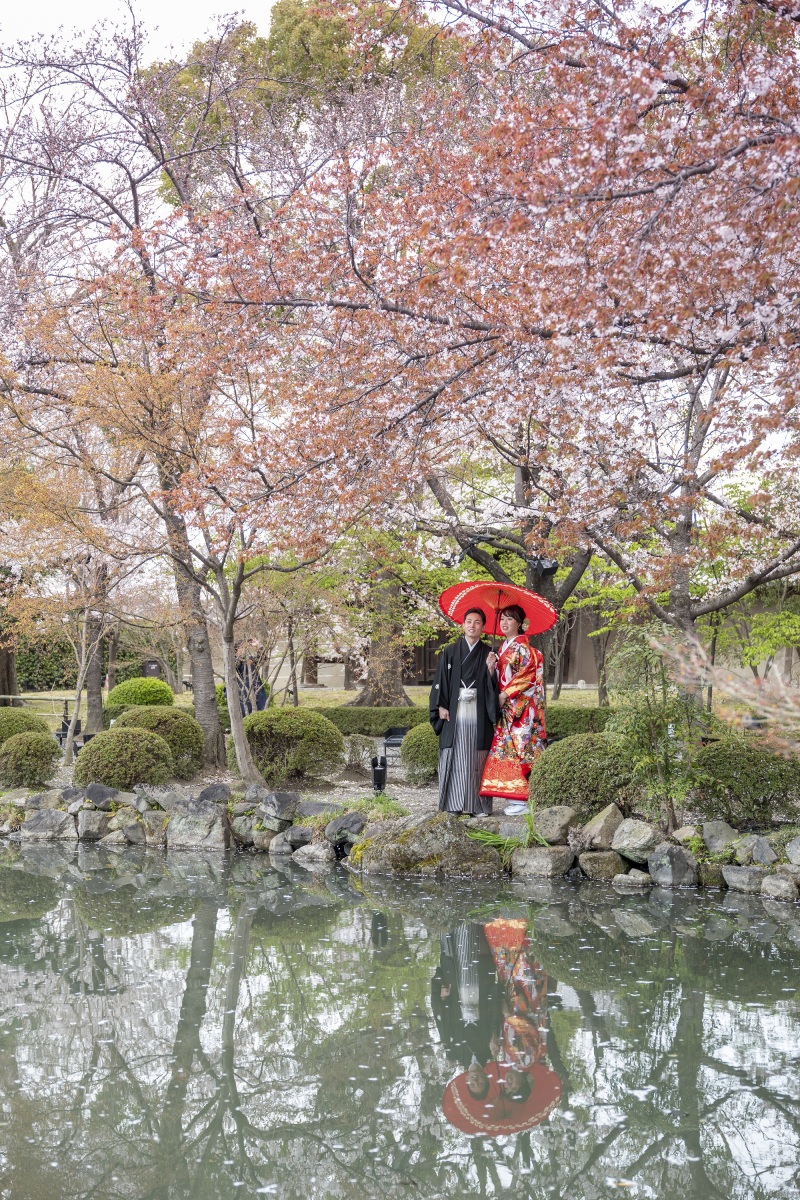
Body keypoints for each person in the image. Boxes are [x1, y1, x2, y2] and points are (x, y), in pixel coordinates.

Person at [429, 608, 499, 816]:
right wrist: (440, 705)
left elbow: (494, 686)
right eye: (468, 621)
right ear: (463, 625)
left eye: (477, 622)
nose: (472, 625)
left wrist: (491, 669)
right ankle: (453, 803)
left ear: (483, 627)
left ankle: (478, 806)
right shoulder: (450, 651)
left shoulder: (488, 653)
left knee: (477, 759)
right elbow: (440, 680)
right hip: (454, 708)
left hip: (478, 710)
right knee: (455, 755)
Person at [479, 604, 546, 816]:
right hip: (507, 710)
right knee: (508, 751)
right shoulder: (503, 648)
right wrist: (491, 666)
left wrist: (505, 694)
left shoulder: (524, 649)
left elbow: (528, 675)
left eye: (510, 619)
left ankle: (524, 799)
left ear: (520, 623)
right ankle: (514, 797)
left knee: (521, 749)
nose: (505, 623)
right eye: (502, 619)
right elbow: (501, 677)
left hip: (521, 710)